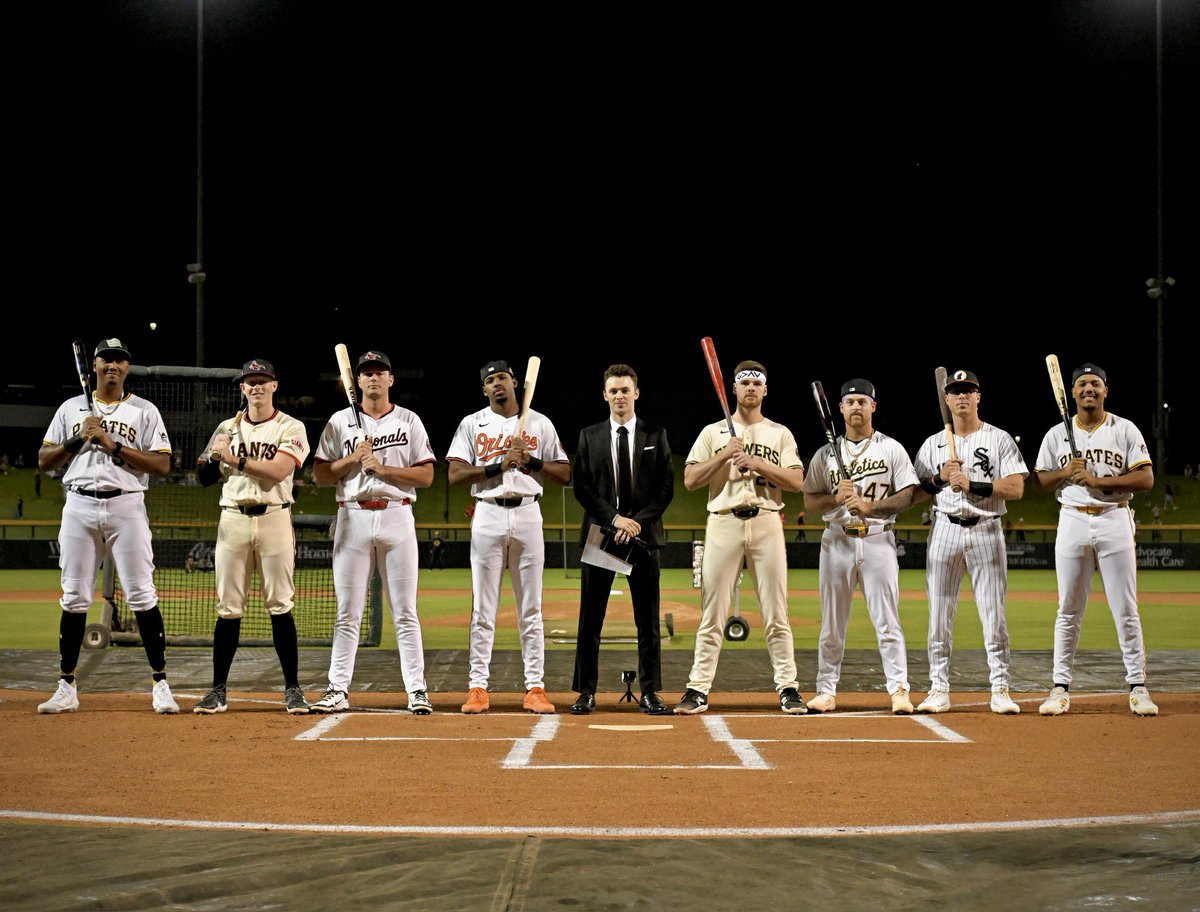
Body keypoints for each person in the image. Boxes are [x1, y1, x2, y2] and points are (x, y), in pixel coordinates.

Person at [36, 337, 178, 714]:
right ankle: (66, 686)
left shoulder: (144, 411)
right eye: (106, 359)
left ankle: (161, 684)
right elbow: (45, 460)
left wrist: (111, 444)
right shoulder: (70, 408)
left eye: (119, 360)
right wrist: (78, 438)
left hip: (126, 504)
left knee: (142, 595)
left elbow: (163, 465)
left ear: (126, 367)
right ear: (95, 366)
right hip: (79, 504)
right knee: (74, 597)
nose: (112, 365)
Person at [674, 360, 807, 715]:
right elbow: (690, 480)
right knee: (712, 612)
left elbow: (796, 482)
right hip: (723, 521)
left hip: (766, 520)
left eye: (756, 383)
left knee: (776, 611)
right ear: (733, 389)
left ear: (765, 390)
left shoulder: (779, 433)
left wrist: (757, 463)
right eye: (744, 382)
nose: (751, 388)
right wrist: (724, 454)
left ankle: (788, 688)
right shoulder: (712, 432)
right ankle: (698, 689)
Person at [308, 350, 437, 715]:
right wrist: (353, 459)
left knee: (405, 611)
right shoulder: (339, 422)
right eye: (367, 373)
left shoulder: (409, 420)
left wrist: (383, 470)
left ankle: (417, 690)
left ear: (391, 379)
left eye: (380, 372)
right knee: (347, 612)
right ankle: (337, 688)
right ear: (358, 381)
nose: (373, 377)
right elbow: (320, 475)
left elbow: (426, 475)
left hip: (397, 514)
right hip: (352, 517)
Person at [1032, 363, 1158, 717]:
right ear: (1072, 392)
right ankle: (1060, 687)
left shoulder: (1124, 428)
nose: (1089, 388)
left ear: (1105, 391)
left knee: (1125, 608)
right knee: (1068, 609)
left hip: (1114, 516)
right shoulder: (1056, 434)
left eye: (1095, 383)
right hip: (1072, 518)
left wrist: (1097, 481)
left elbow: (1146, 479)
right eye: (1082, 384)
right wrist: (1066, 472)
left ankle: (1138, 686)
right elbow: (1039, 482)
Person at [447, 359, 570, 714]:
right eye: (490, 380)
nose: (497, 383)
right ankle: (477, 687)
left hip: (529, 512)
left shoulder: (540, 423)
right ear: (484, 389)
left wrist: (531, 462)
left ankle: (535, 687)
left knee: (531, 608)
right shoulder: (472, 423)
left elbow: (564, 473)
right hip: (488, 512)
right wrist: (499, 465)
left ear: (515, 382)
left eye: (502, 377)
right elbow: (454, 474)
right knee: (483, 609)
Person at [193, 359, 311, 715]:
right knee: (228, 608)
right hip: (233, 519)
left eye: (262, 380)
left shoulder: (291, 426)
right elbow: (204, 478)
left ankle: (293, 689)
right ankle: (217, 690)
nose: (256, 386)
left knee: (280, 605)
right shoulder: (226, 427)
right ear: (242, 388)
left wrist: (233, 459)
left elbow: (277, 471)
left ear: (274, 385)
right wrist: (214, 456)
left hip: (274, 517)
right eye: (250, 381)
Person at [911, 370, 1028, 714]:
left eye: (968, 390)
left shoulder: (999, 438)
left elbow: (1016, 488)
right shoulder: (932, 444)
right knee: (939, 615)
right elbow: (917, 491)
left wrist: (973, 485)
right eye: (955, 391)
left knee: (994, 615)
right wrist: (940, 478)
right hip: (944, 528)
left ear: (978, 397)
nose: (961, 396)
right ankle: (938, 688)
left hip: (986, 528)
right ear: (946, 399)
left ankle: (1000, 688)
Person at [802, 379, 919, 715]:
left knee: (887, 621)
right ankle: (826, 690)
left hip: (878, 538)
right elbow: (810, 500)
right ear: (840, 409)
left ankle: (899, 689)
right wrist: (835, 498)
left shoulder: (891, 448)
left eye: (862, 402)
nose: (856, 407)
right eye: (850, 402)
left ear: (873, 407)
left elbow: (907, 495)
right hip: (836, 540)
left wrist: (870, 506)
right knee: (832, 623)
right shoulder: (826, 454)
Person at [571, 364, 674, 715]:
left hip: (643, 538)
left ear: (636, 393)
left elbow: (665, 489)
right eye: (613, 390)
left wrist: (635, 524)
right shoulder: (589, 436)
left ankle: (650, 692)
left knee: (648, 622)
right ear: (604, 395)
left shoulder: (656, 435)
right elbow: (582, 487)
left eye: (625, 390)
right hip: (602, 534)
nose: (619, 396)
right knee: (590, 620)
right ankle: (586, 692)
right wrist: (615, 519)